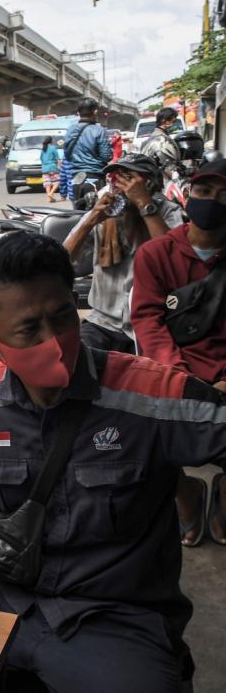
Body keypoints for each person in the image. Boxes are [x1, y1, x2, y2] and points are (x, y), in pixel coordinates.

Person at [0, 231, 226, 690]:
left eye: (63, 317)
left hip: (117, 622)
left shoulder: (150, 395)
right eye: (29, 329)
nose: (56, 341)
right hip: (2, 606)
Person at [132, 158, 226, 548]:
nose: (211, 201)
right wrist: (179, 375)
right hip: (174, 374)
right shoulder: (155, 255)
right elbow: (148, 322)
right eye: (204, 192)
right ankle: (186, 495)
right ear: (188, 195)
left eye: (224, 195)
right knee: (137, 438)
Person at [63, 153, 183, 353]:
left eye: (128, 178)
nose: (118, 183)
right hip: (103, 323)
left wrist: (144, 203)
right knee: (75, 363)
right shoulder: (103, 213)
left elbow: (171, 261)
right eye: (115, 177)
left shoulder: (168, 212)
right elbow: (62, 260)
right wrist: (92, 218)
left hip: (153, 323)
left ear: (149, 182)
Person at [64, 98, 113, 208]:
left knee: (80, 218)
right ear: (95, 111)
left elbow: (67, 156)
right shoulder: (98, 130)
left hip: (76, 180)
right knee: (97, 218)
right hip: (95, 179)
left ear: (78, 113)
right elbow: (106, 156)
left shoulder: (70, 130)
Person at [141, 107, 181, 177]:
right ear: (164, 120)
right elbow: (168, 166)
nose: (174, 124)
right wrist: (176, 180)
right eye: (173, 121)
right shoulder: (161, 140)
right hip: (162, 180)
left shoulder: (155, 137)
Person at [39, 136, 60, 202]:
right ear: (51, 141)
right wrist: (60, 166)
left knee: (47, 183)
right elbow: (58, 158)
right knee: (57, 182)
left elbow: (41, 159)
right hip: (52, 168)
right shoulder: (53, 148)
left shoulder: (43, 149)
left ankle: (49, 199)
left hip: (44, 169)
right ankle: (51, 193)